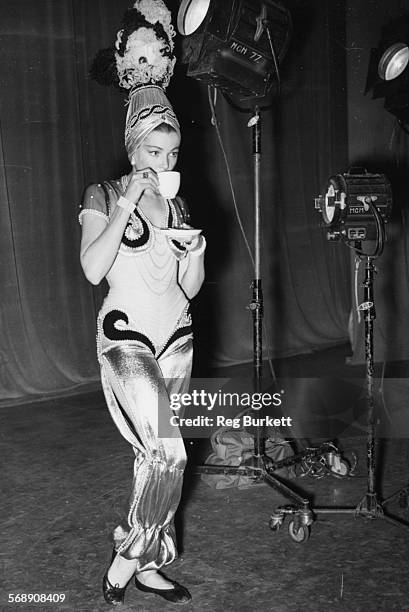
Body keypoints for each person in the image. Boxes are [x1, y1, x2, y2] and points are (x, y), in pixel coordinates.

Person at [79, 2, 206, 605]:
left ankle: (152, 560)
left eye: (172, 153)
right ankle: (129, 554)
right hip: (126, 338)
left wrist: (196, 251)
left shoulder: (179, 208)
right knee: (169, 449)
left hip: (175, 335)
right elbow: (92, 268)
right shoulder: (104, 193)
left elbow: (187, 289)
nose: (164, 163)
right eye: (154, 152)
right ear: (133, 147)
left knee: (153, 461)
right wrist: (127, 203)